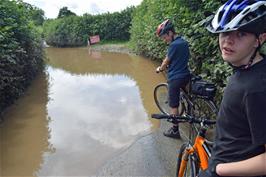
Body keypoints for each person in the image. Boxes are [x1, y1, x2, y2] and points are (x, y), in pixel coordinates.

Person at [199, 0, 266, 176]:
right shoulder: (246, 66)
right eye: (224, 32)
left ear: (260, 39)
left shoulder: (258, 88)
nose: (228, 40)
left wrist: (219, 169)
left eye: (241, 33)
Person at [156, 19, 191, 139]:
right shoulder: (184, 42)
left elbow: (167, 60)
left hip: (175, 78)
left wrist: (160, 68)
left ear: (170, 33)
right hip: (186, 75)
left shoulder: (173, 45)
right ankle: (188, 113)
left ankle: (175, 130)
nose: (164, 40)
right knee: (188, 96)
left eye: (164, 36)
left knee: (173, 105)